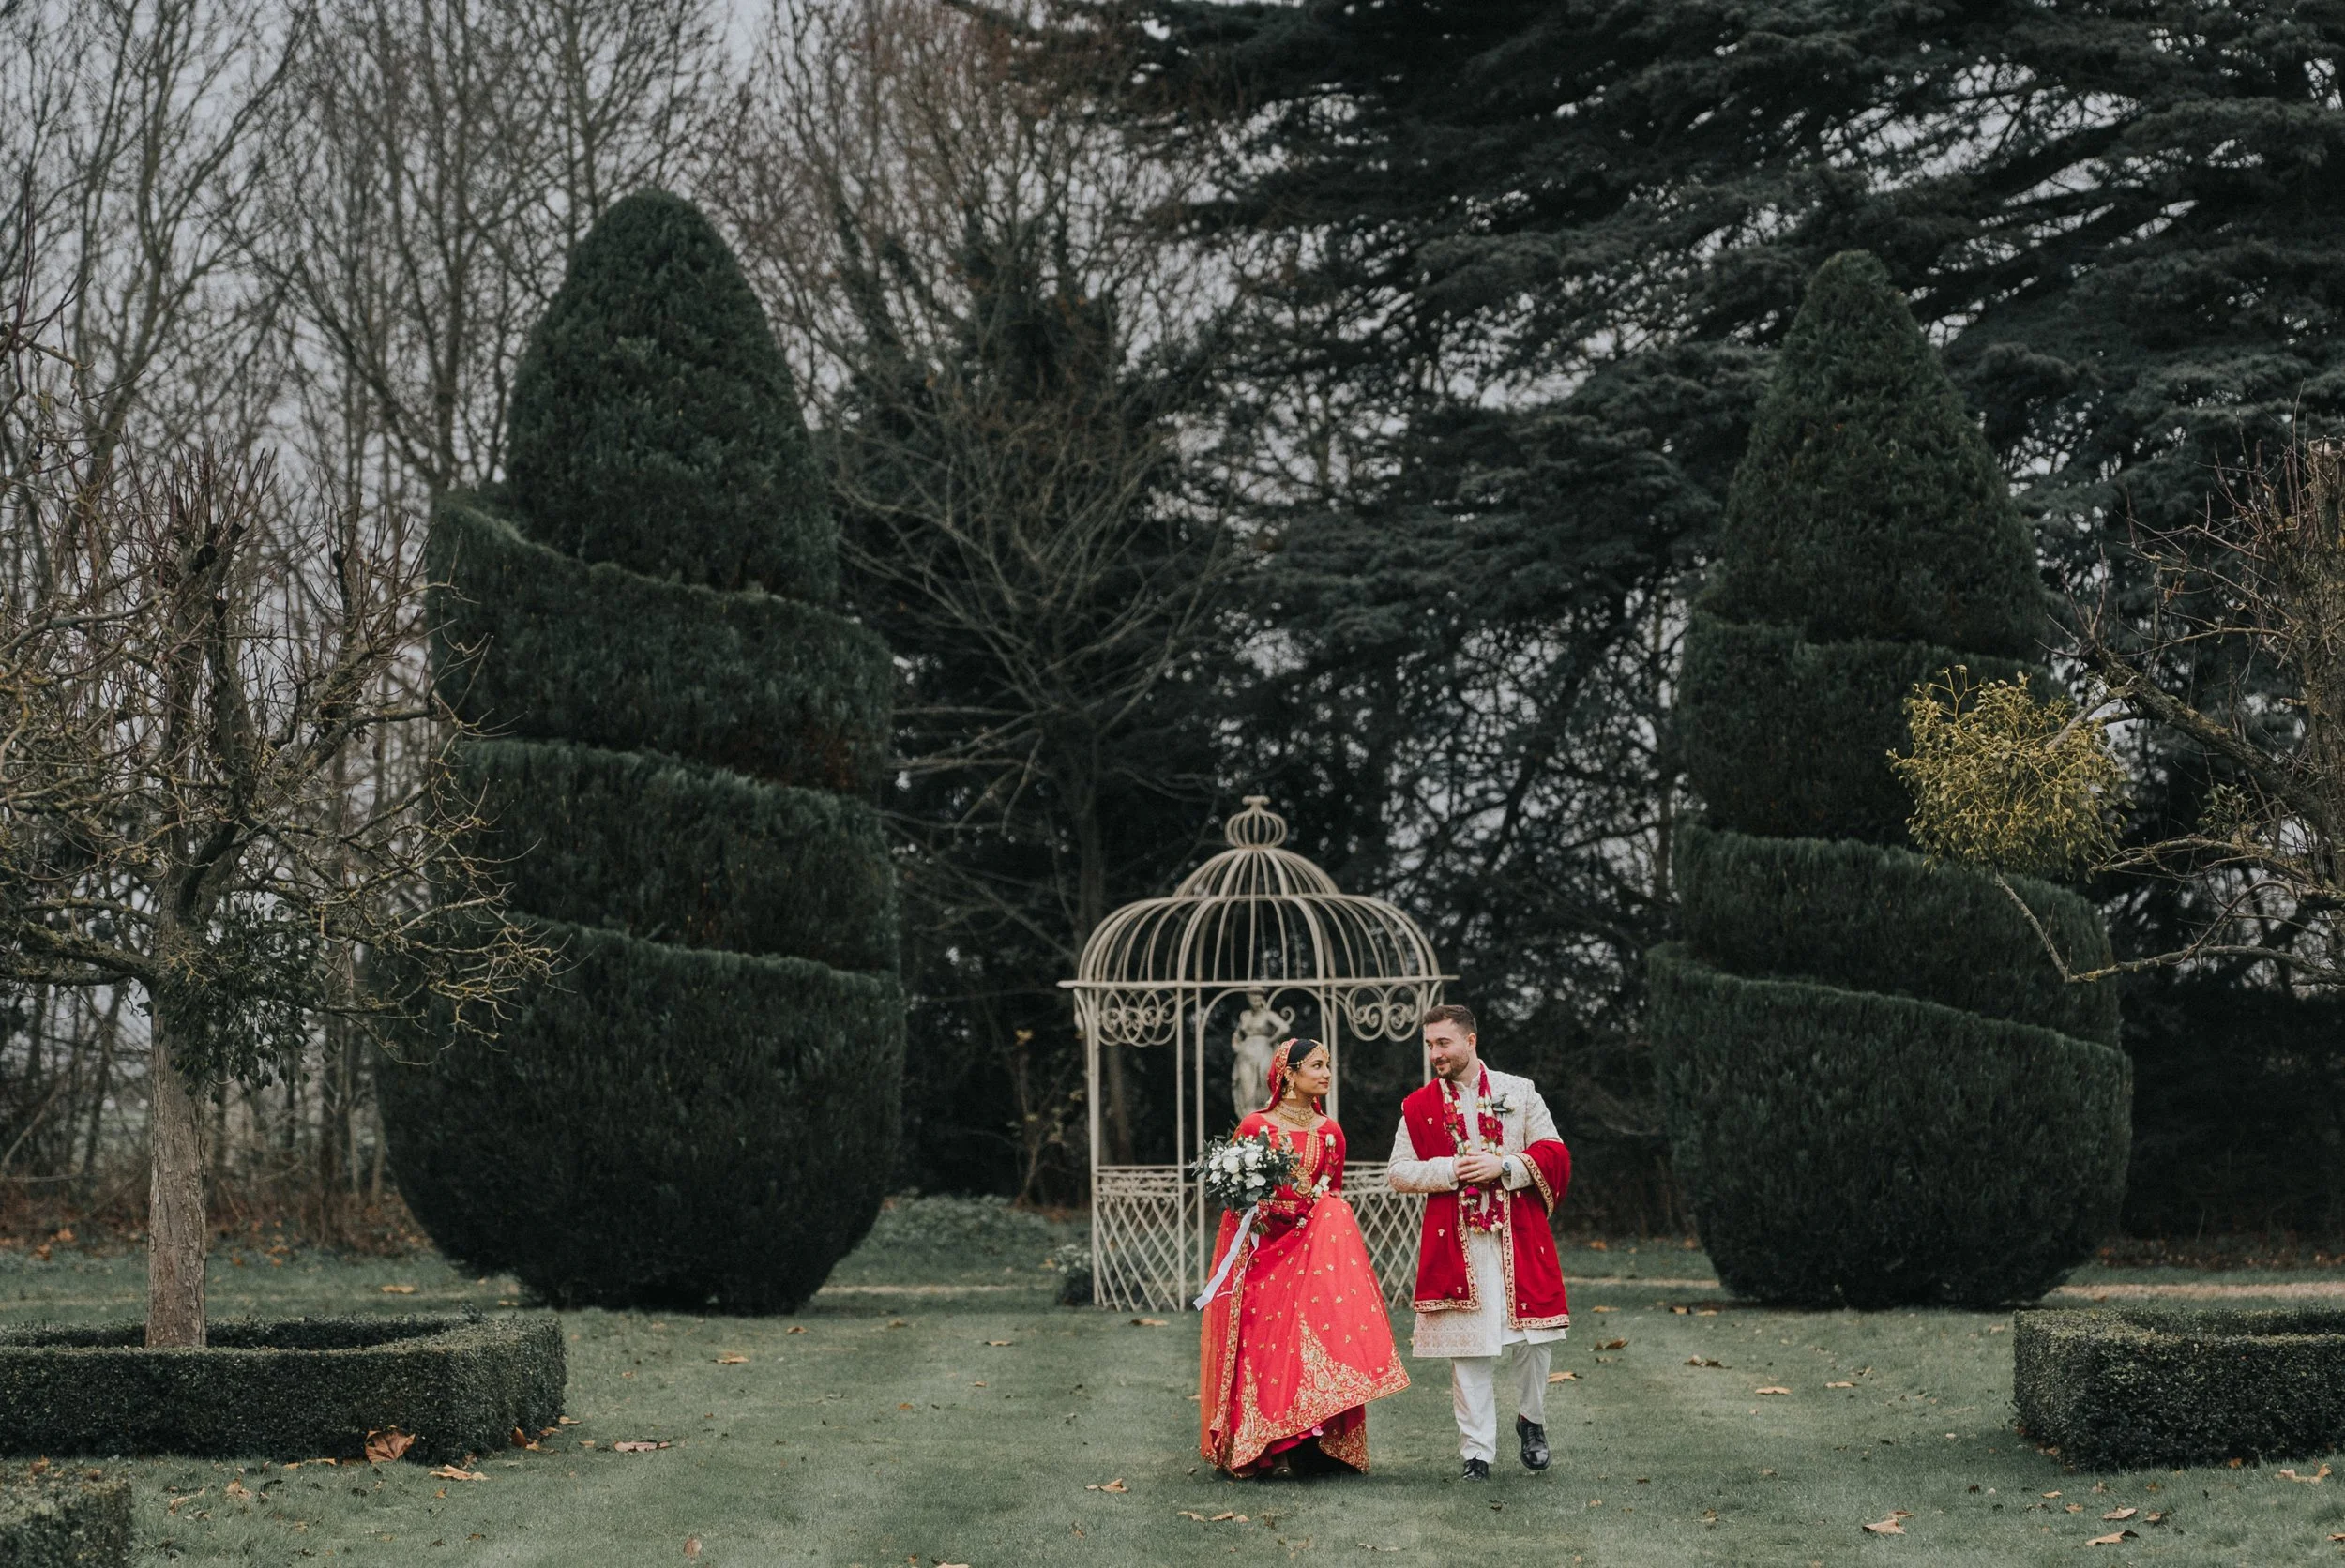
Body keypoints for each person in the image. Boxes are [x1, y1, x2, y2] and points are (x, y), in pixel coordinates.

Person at [1198, 1037, 1410, 1475]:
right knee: (1266, 1345)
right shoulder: (1256, 1126)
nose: (1327, 1073)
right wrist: (1263, 1213)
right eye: (1317, 1066)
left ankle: (1315, 1448)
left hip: (1312, 1251)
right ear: (1289, 1075)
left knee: (1314, 1331)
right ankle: (1265, 1448)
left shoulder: (1331, 1132)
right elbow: (1234, 1198)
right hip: (1264, 1249)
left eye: (1327, 1065)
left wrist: (1312, 1215)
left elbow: (1332, 1192)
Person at [1386, 1003, 1572, 1481]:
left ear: (1470, 1041)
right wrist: (1451, 1170)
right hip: (1457, 1242)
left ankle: (1531, 1419)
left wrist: (1505, 1165)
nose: (1435, 1054)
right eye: (1429, 1045)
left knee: (1534, 1340)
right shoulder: (1417, 1106)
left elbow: (1554, 1152)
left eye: (1443, 1043)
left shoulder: (1519, 1090)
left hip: (1518, 1235)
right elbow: (1399, 1172)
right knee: (1468, 1349)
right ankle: (1477, 1453)